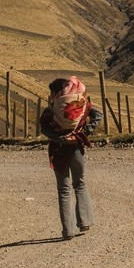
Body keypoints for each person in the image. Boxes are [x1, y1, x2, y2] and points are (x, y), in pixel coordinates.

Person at [40, 76, 102, 240]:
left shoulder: (51, 110)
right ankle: (85, 221)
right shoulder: (81, 106)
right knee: (80, 183)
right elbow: (98, 115)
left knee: (64, 190)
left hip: (59, 151)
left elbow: (44, 129)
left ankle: (68, 231)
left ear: (55, 92)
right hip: (77, 148)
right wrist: (84, 132)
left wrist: (59, 138)